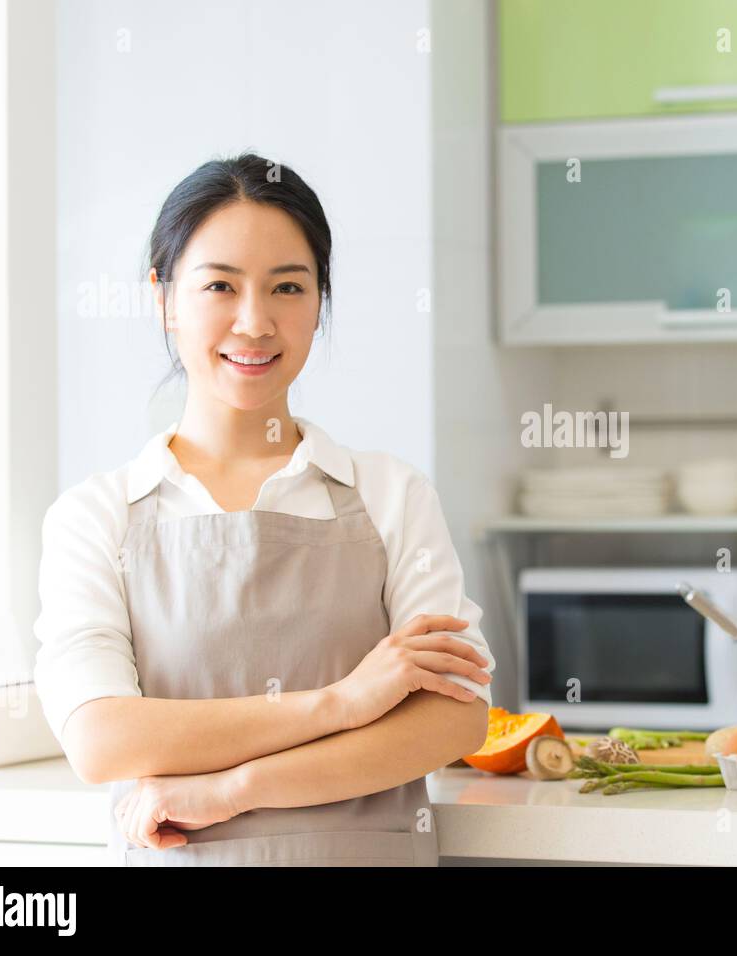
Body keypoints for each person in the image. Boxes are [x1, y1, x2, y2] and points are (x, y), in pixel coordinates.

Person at [32, 153, 493, 866]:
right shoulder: (97, 518)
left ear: (320, 301)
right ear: (163, 299)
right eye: (220, 285)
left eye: (288, 287)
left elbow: (453, 717)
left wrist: (233, 790)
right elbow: (102, 739)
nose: (255, 322)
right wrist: (343, 702)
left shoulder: (391, 495)